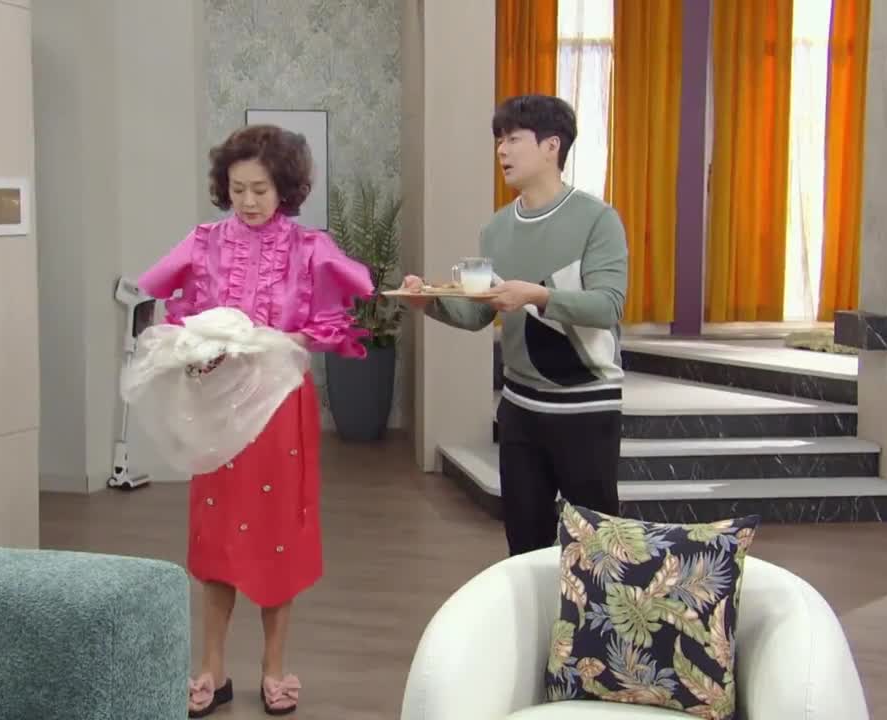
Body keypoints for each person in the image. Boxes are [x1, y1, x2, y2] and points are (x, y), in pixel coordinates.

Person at [137, 124, 373, 717]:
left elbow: (332, 323)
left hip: (280, 406)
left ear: (285, 188)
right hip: (219, 405)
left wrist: (277, 340)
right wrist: (200, 349)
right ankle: (211, 669)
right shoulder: (203, 243)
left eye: (260, 190)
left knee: (277, 537)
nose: (247, 201)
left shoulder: (310, 249)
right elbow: (179, 315)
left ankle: (274, 667)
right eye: (238, 188)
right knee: (215, 537)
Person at [400, 94, 628, 557]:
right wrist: (428, 302)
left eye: (513, 139)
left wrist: (537, 296)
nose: (501, 150)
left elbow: (608, 306)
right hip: (520, 408)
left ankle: (594, 610)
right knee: (523, 546)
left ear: (551, 146)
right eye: (498, 140)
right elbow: (478, 314)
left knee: (597, 550)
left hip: (586, 407)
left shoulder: (597, 219)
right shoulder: (496, 229)